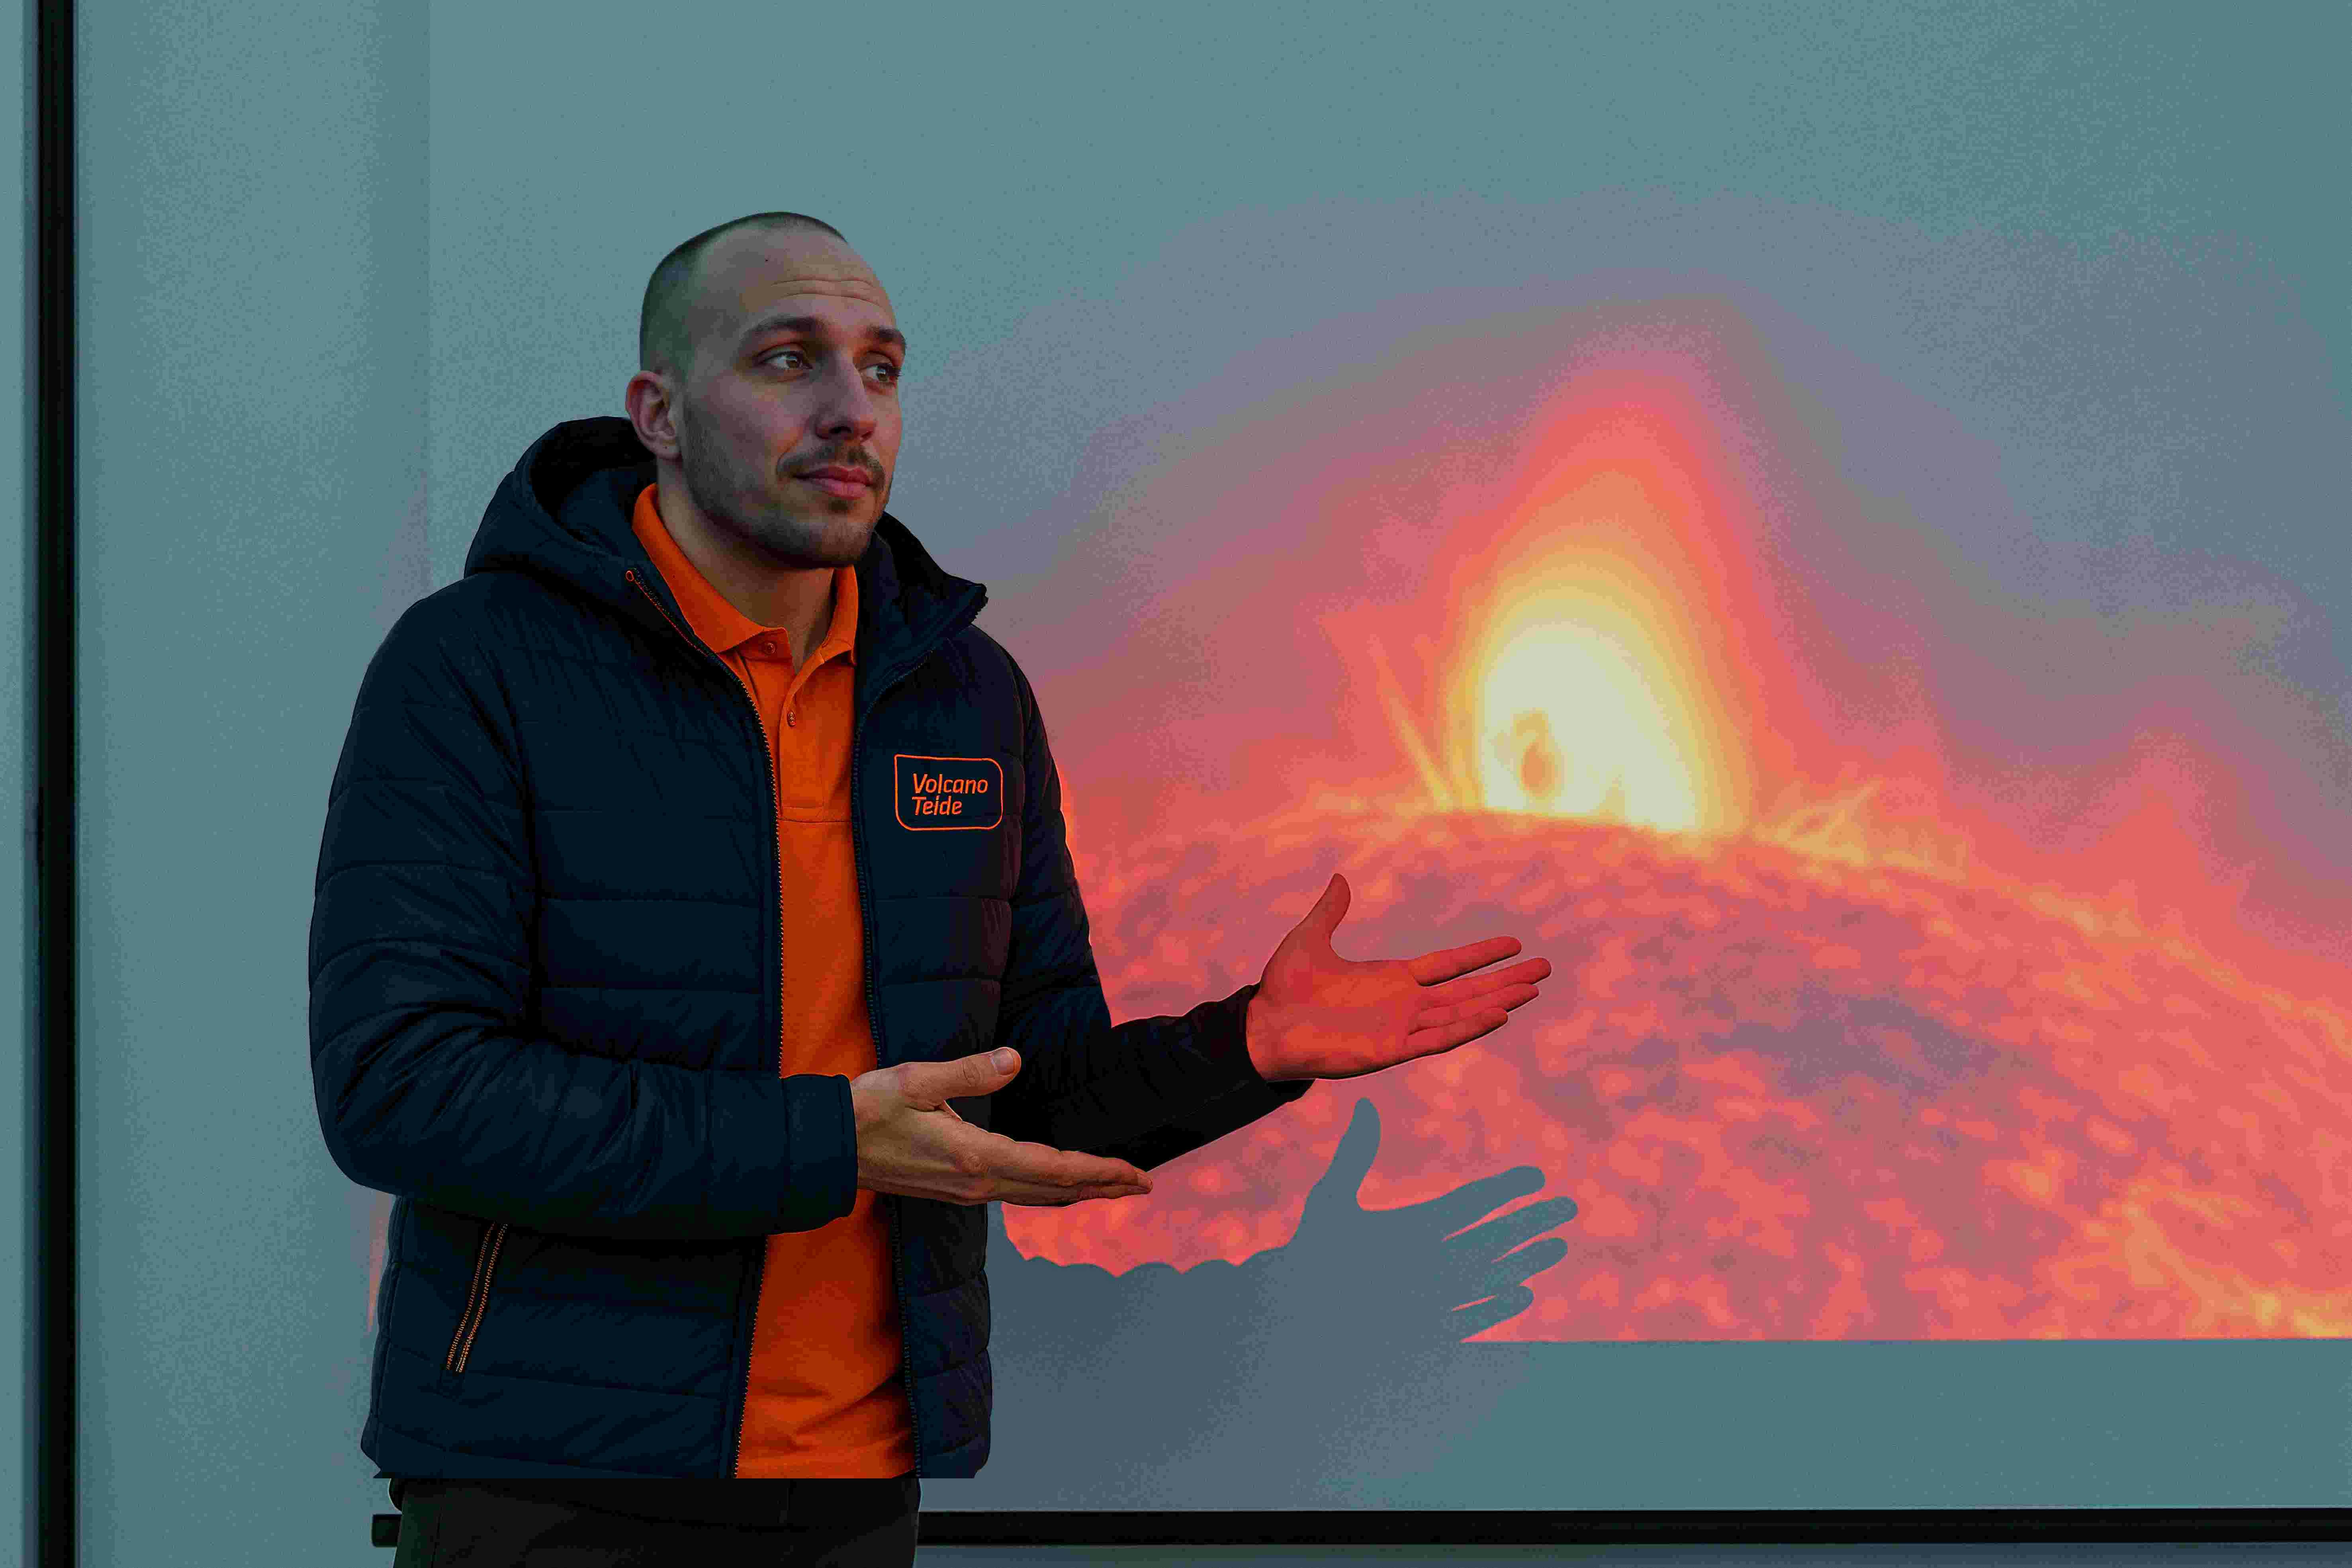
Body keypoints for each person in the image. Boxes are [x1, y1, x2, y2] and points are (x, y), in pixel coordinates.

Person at [311, 210, 1551, 1565]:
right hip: (540, 1482)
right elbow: (404, 1088)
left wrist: (1248, 1045)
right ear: (657, 414)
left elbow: (1021, 1093)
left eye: (882, 368)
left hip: (858, 1486)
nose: (852, 411)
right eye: (789, 361)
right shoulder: (476, 666)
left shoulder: (966, 696)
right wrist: (829, 1142)